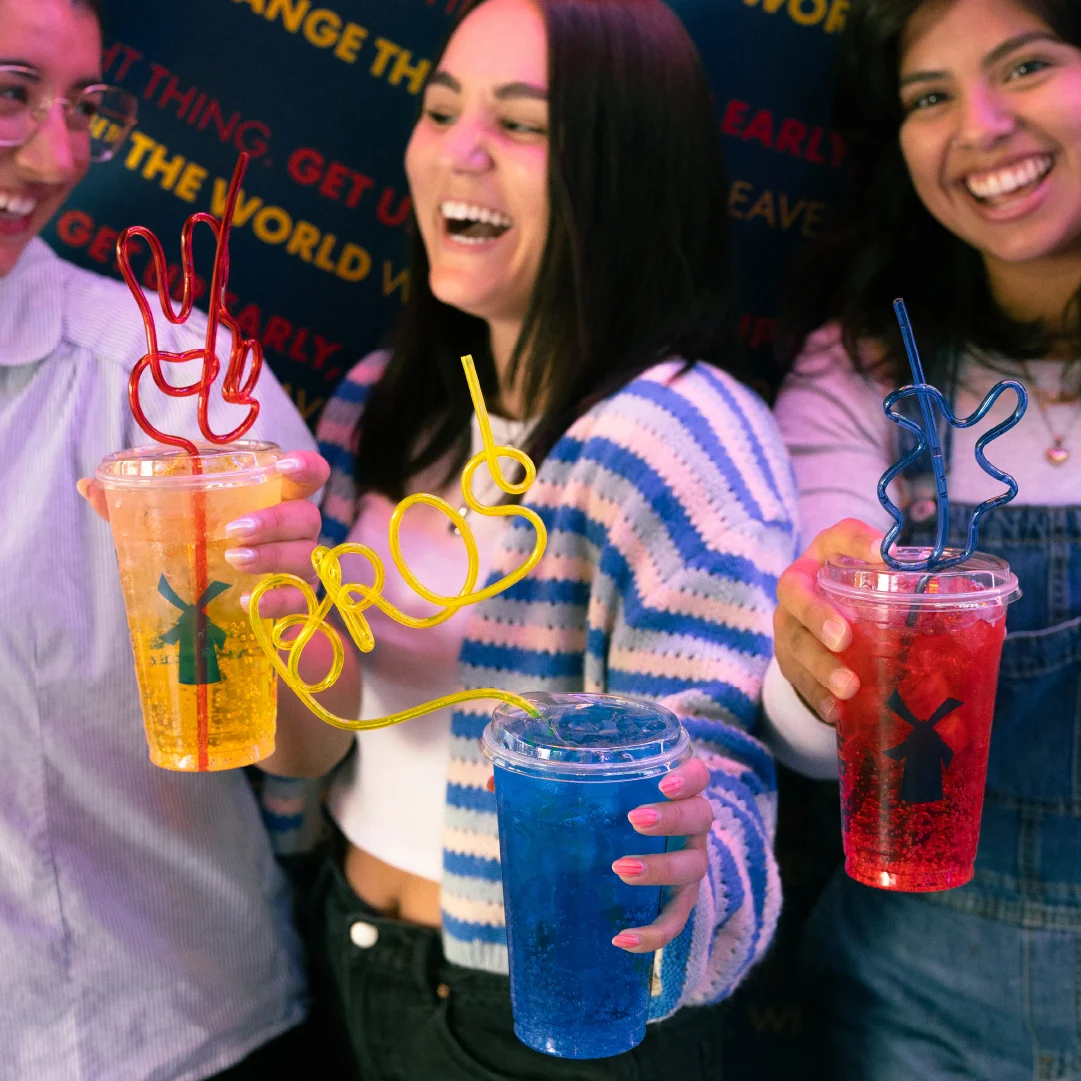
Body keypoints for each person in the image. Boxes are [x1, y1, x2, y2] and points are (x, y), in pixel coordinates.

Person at [257, 0, 800, 1077]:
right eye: (440, 108)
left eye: (523, 125)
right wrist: (266, 621)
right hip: (347, 957)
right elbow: (298, 748)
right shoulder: (378, 406)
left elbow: (718, 776)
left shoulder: (675, 435)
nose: (459, 151)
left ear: (624, 168)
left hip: (548, 1016)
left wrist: (692, 875)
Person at [0, 0, 330, 1078]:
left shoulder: (174, 385)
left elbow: (303, 748)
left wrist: (293, 619)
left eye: (85, 108)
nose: (60, 156)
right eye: (11, 96)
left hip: (164, 1029)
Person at [765, 0, 1081, 1077]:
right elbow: (811, 745)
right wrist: (820, 652)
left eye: (1026, 64)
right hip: (912, 1016)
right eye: (928, 96)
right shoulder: (858, 373)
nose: (979, 125)